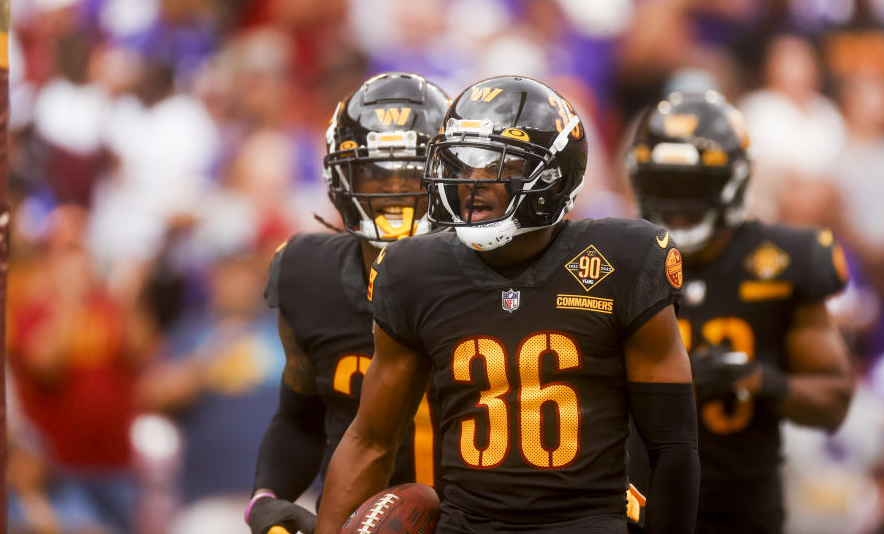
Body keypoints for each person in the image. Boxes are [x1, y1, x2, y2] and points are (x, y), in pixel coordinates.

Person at [315, 75, 699, 534]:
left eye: (497, 163)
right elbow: (369, 440)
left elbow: (673, 444)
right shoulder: (413, 271)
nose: (472, 182)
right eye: (463, 162)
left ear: (552, 176)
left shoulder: (624, 259)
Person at [627, 90, 854, 533]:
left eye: (692, 186)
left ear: (735, 180)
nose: (676, 203)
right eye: (664, 184)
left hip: (743, 514)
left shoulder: (785, 260)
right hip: (634, 511)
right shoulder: (618, 258)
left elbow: (834, 401)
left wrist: (756, 380)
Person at [244, 72, 451, 534]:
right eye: (376, 170)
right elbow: (300, 419)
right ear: (339, 177)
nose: (395, 187)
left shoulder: (493, 274)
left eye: (411, 170)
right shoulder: (305, 273)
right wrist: (266, 499)